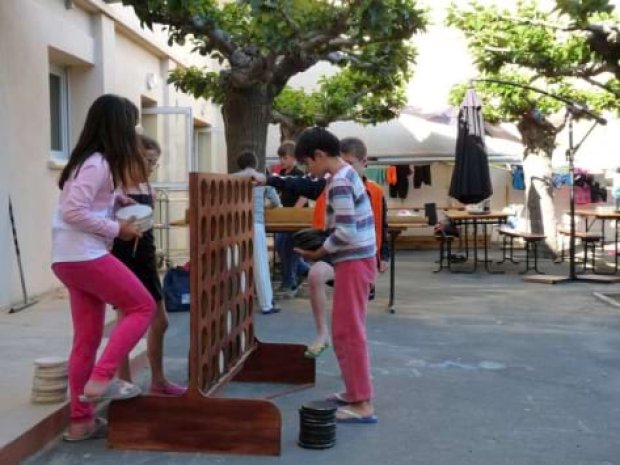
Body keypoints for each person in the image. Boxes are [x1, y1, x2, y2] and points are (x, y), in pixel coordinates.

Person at [51, 94, 156, 441]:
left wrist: (116, 200)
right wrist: (118, 229)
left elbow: (84, 203)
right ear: (117, 127)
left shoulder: (91, 162)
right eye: (131, 125)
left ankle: (81, 422)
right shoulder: (98, 163)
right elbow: (73, 211)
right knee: (142, 306)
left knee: (87, 338)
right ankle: (102, 377)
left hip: (69, 258)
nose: (134, 132)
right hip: (84, 255)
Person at [293, 127, 378, 424]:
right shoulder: (344, 174)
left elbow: (345, 231)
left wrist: (319, 252)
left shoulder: (340, 182)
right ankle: (355, 392)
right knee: (347, 329)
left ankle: (363, 404)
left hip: (354, 260)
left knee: (347, 332)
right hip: (357, 259)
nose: (308, 170)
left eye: (307, 164)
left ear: (319, 155)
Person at [112, 135, 186, 396]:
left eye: (156, 162)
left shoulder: (148, 189)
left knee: (161, 321)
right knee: (125, 322)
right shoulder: (116, 190)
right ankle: (124, 383)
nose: (152, 167)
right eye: (149, 161)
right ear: (132, 158)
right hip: (123, 259)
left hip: (146, 257)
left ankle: (158, 381)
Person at [304, 137, 389, 358]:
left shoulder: (371, 190)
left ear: (364, 162)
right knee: (315, 275)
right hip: (337, 250)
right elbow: (328, 223)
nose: (346, 167)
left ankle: (356, 371)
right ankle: (323, 334)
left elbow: (382, 225)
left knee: (353, 321)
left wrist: (384, 256)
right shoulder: (335, 181)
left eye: (351, 163)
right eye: (344, 161)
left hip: (361, 255)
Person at [233, 151, 283, 314]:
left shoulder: (232, 178)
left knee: (238, 264)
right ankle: (266, 304)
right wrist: (262, 206)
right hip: (256, 223)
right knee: (260, 264)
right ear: (255, 163)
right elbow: (276, 202)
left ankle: (239, 303)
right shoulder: (262, 179)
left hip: (236, 225)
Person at [273, 141, 310, 298]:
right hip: (284, 219)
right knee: (281, 246)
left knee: (288, 248)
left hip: (297, 219)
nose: (282, 160)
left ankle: (289, 283)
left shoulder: (300, 174)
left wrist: (293, 213)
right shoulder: (282, 174)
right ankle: (304, 271)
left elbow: (304, 196)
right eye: (280, 157)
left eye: (285, 157)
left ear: (293, 158)